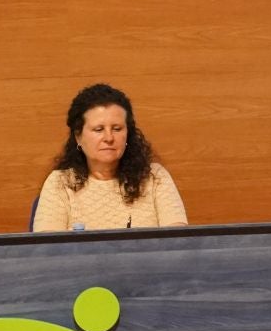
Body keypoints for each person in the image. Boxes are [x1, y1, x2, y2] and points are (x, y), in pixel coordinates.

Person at [32, 84, 187, 230]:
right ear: (78, 137)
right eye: (99, 129)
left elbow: (179, 241)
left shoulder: (155, 177)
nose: (109, 137)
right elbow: (46, 251)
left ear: (128, 134)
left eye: (117, 129)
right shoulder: (60, 183)